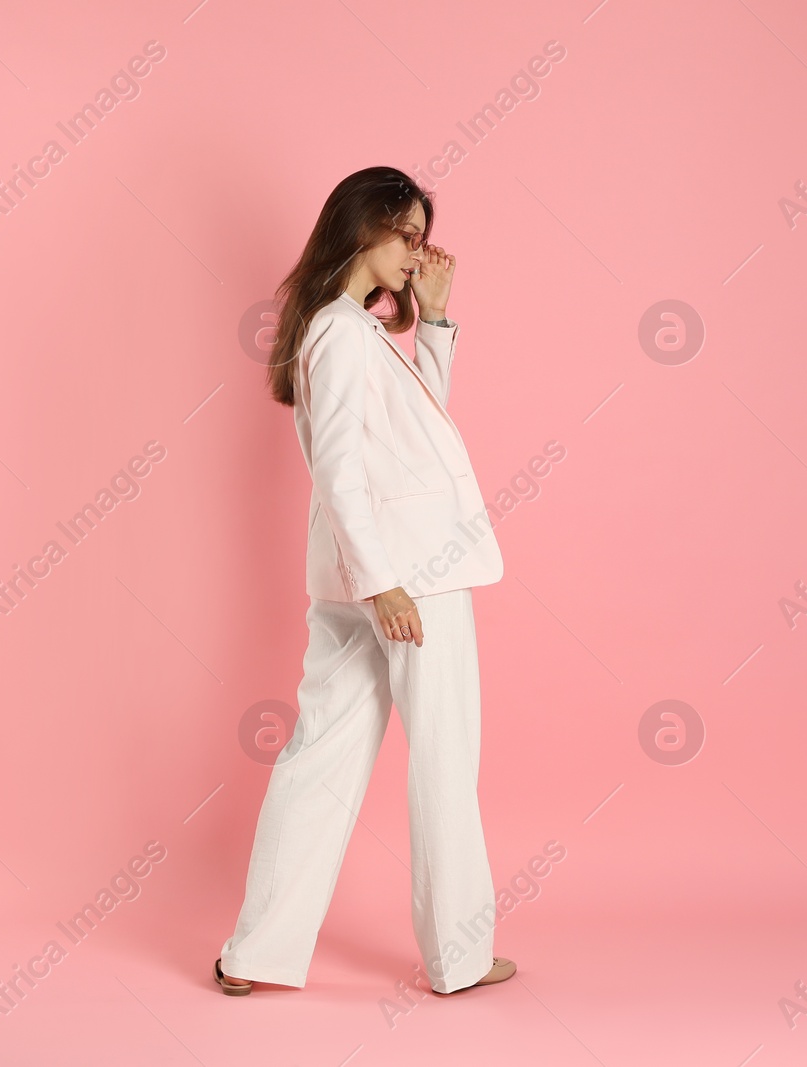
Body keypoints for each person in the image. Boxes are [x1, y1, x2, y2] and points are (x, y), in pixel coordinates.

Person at [215, 166, 515, 997]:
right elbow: (341, 472)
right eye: (407, 235)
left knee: (320, 755)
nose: (418, 253)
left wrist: (440, 321)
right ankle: (459, 957)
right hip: (408, 577)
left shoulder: (342, 328)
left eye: (421, 236)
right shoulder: (344, 335)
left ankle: (256, 952)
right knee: (445, 757)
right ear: (361, 229)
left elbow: (421, 444)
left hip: (365, 577)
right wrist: (386, 582)